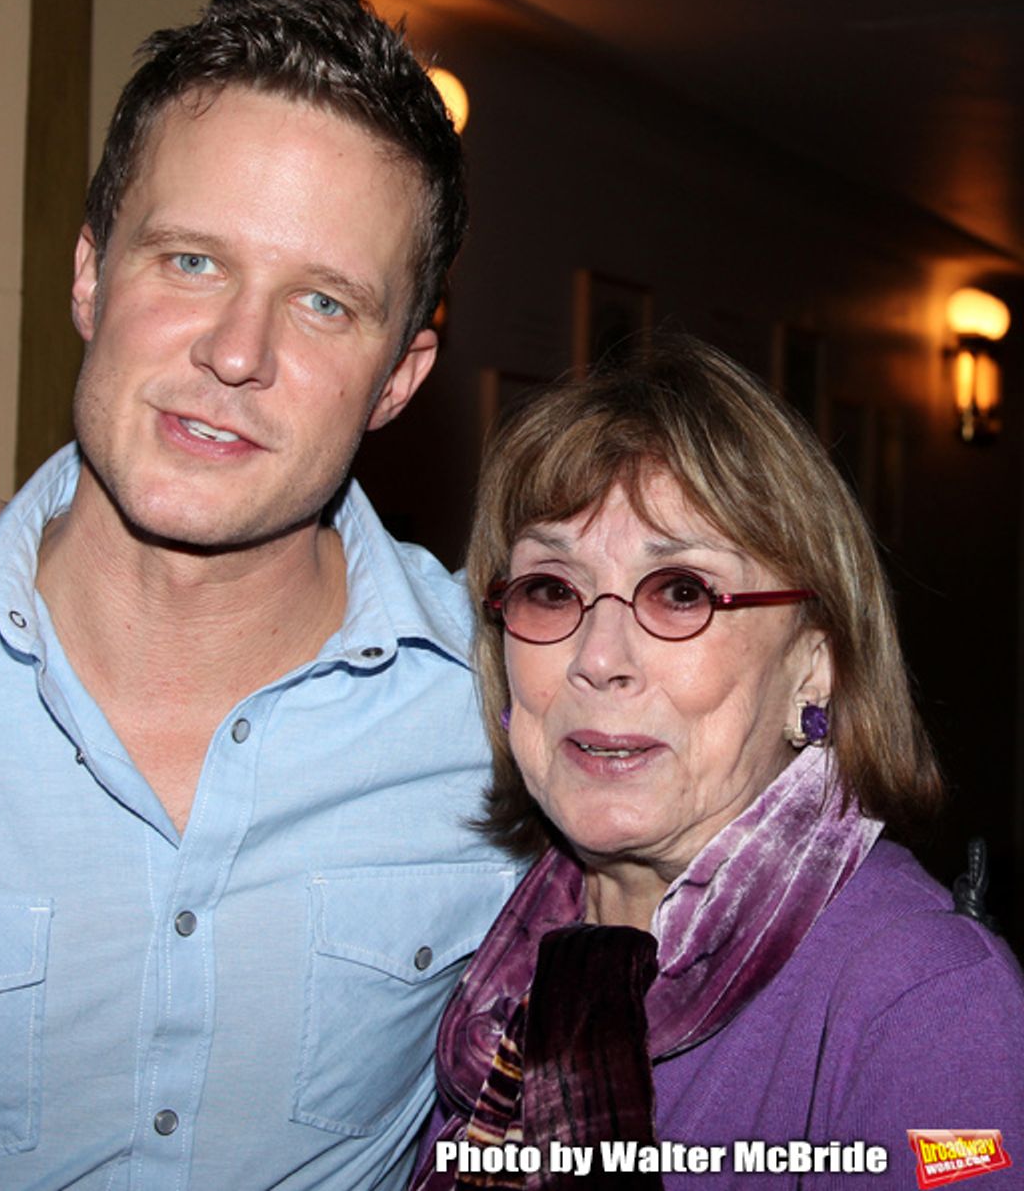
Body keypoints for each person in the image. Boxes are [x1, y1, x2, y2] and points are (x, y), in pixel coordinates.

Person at [0, 0, 519, 1190]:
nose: (237, 352)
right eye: (191, 260)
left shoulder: (512, 711)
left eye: (322, 301)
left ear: (401, 376)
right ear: (91, 276)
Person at [412, 336, 1024, 1190]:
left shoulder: (925, 1002)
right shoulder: (486, 939)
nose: (599, 657)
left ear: (813, 662)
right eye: (552, 589)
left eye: (681, 592)